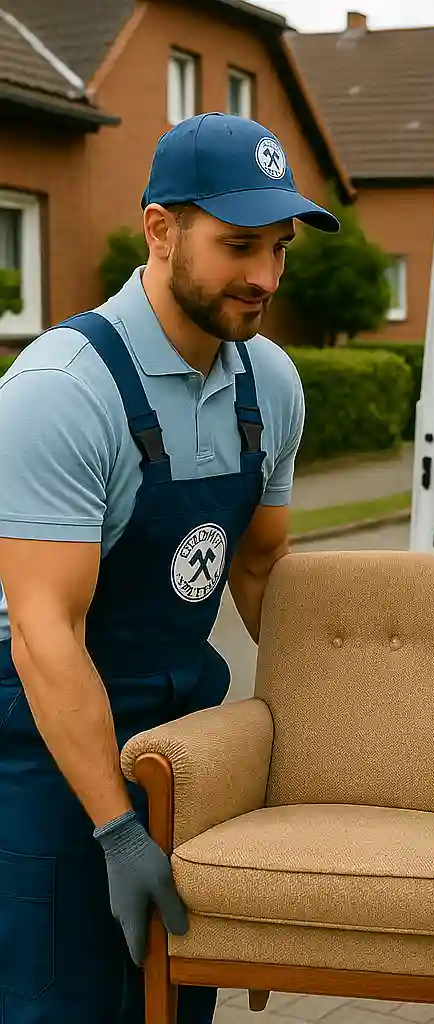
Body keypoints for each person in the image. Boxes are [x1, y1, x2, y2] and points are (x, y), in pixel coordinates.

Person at [0, 113, 339, 1024]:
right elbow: (44, 635)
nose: (265, 277)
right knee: (57, 1003)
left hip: (185, 746)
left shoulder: (271, 384)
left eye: (279, 249)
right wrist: (115, 830)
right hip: (47, 744)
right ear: (160, 230)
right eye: (238, 246)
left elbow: (262, 567)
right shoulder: (63, 391)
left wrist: (336, 728)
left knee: (175, 1007)